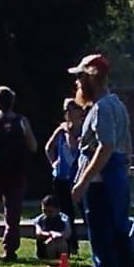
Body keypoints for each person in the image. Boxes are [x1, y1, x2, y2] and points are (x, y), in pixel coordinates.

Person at [69, 53, 134, 267]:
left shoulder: (101, 108)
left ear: (91, 77)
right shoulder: (117, 104)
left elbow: (105, 147)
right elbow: (126, 145)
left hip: (102, 182)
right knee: (120, 236)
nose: (77, 83)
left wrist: (82, 183)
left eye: (80, 77)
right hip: (117, 179)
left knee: (102, 239)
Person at [0, 86, 38, 262]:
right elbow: (33, 146)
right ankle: (9, 250)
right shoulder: (22, 121)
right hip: (16, 173)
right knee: (13, 214)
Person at [44, 98, 83, 238]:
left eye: (71, 110)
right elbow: (49, 147)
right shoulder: (61, 130)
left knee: (85, 210)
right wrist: (53, 163)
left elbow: (74, 146)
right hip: (62, 177)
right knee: (66, 212)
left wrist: (68, 132)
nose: (68, 113)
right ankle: (70, 243)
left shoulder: (83, 130)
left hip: (78, 177)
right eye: (66, 110)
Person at [32, 194, 74, 261]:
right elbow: (38, 233)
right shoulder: (39, 219)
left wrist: (58, 235)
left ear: (58, 210)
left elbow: (68, 232)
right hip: (44, 246)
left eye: (50, 212)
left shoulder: (63, 218)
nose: (47, 214)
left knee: (61, 242)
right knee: (50, 243)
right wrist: (49, 234)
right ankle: (50, 260)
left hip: (60, 242)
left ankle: (62, 259)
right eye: (44, 211)